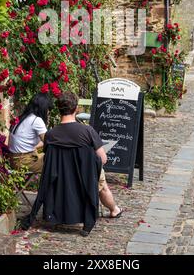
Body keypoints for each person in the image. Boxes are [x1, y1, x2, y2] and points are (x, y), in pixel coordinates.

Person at [45, 92, 123, 220]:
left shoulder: (51, 134)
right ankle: (114, 209)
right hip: (85, 177)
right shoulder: (87, 131)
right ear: (76, 109)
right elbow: (103, 159)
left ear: (58, 110)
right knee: (102, 184)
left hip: (61, 177)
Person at [8, 92, 53, 173]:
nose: (48, 112)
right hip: (24, 162)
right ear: (43, 108)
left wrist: (36, 147)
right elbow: (49, 143)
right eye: (48, 109)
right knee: (57, 161)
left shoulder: (22, 118)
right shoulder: (36, 120)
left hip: (14, 160)